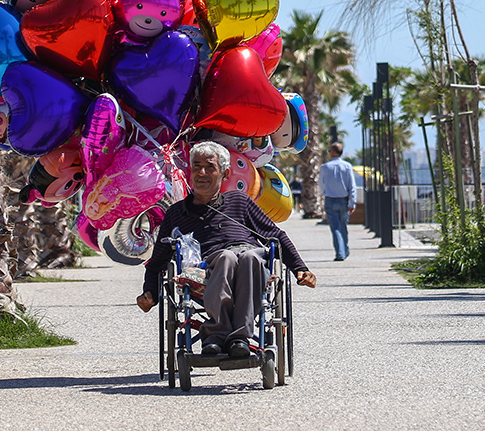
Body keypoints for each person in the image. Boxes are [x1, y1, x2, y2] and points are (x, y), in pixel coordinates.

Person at [137, 141, 316, 358]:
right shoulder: (177, 213)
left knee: (250, 257)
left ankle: (239, 337)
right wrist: (150, 293)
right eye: (196, 166)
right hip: (213, 263)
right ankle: (216, 335)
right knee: (226, 257)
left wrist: (299, 268)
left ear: (225, 173)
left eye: (210, 167)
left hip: (250, 256)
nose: (202, 172)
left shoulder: (239, 201)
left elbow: (276, 236)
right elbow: (157, 261)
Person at [318, 142, 356, 261]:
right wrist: (352, 202)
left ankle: (340, 252)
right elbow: (352, 186)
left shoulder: (325, 167)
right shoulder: (347, 166)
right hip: (344, 200)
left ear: (334, 152)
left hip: (330, 200)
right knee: (343, 226)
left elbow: (321, 184)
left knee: (335, 228)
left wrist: (326, 192)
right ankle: (344, 249)